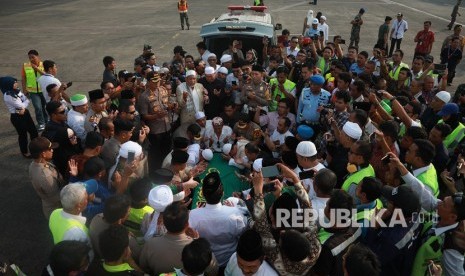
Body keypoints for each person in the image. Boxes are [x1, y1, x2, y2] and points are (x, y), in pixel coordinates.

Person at [140, 202, 218, 275]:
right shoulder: (200, 251)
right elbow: (213, 271)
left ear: (165, 223)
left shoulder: (150, 244)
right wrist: (197, 242)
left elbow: (143, 268)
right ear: (187, 224)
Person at [189, 171, 247, 268]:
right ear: (223, 193)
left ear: (202, 194)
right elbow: (242, 235)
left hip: (206, 263)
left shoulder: (193, 215)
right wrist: (235, 209)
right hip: (229, 261)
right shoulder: (236, 214)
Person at [313, 189, 360, 276]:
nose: (325, 206)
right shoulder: (356, 227)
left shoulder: (326, 246)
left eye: (327, 204)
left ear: (331, 213)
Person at [138, 71, 173, 171]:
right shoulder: (144, 97)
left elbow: (167, 103)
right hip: (155, 131)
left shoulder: (163, 90)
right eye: (154, 81)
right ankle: (156, 174)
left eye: (158, 80)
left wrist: (171, 106)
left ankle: (167, 171)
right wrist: (155, 116)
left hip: (167, 127)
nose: (157, 82)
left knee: (167, 152)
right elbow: (144, 116)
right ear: (148, 82)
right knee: (156, 155)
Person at [28, 137, 63, 219]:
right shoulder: (46, 177)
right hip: (56, 210)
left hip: (47, 202)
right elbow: (57, 197)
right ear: (43, 154)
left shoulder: (33, 164)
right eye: (50, 149)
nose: (52, 150)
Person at [3, 77, 38, 157]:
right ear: (9, 85)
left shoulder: (16, 91)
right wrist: (27, 100)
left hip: (25, 114)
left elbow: (23, 100)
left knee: (34, 132)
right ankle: (25, 152)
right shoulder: (9, 95)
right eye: (14, 83)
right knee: (23, 135)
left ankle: (36, 148)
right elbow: (21, 105)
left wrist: (25, 102)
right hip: (17, 117)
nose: (16, 84)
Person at [21, 49, 47, 130]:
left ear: (38, 56)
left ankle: (47, 120)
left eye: (33, 57)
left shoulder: (44, 65)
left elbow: (48, 75)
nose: (31, 59)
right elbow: (23, 78)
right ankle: (41, 123)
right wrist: (24, 89)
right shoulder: (25, 66)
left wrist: (37, 68)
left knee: (45, 107)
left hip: (43, 90)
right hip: (33, 91)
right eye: (30, 58)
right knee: (38, 107)